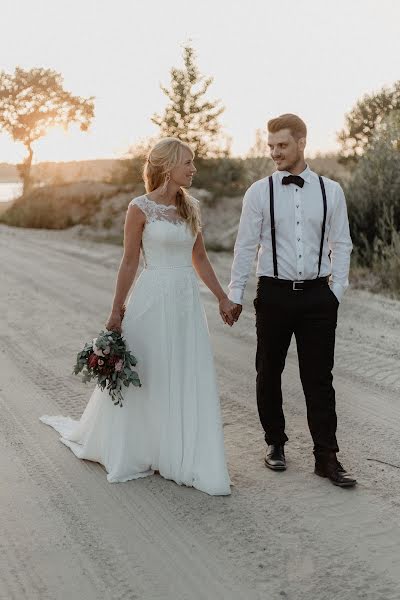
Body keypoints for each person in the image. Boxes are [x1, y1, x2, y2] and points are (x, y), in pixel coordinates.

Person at [40, 137, 234, 496]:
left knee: (182, 370)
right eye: (188, 162)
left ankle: (177, 450)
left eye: (193, 163)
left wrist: (222, 298)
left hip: (185, 302)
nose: (194, 169)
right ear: (167, 166)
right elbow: (129, 260)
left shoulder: (190, 206)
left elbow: (200, 258)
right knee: (148, 372)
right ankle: (140, 447)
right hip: (151, 298)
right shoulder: (139, 207)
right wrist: (116, 310)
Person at [228, 114, 357, 487]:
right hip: (273, 294)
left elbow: (342, 243)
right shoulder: (258, 192)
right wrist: (235, 295)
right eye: (270, 146)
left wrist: (337, 292)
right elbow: (245, 247)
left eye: (281, 145)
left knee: (319, 379)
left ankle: (326, 457)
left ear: (301, 142)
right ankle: (275, 444)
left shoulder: (330, 191)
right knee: (268, 372)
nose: (274, 153)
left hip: (318, 296)